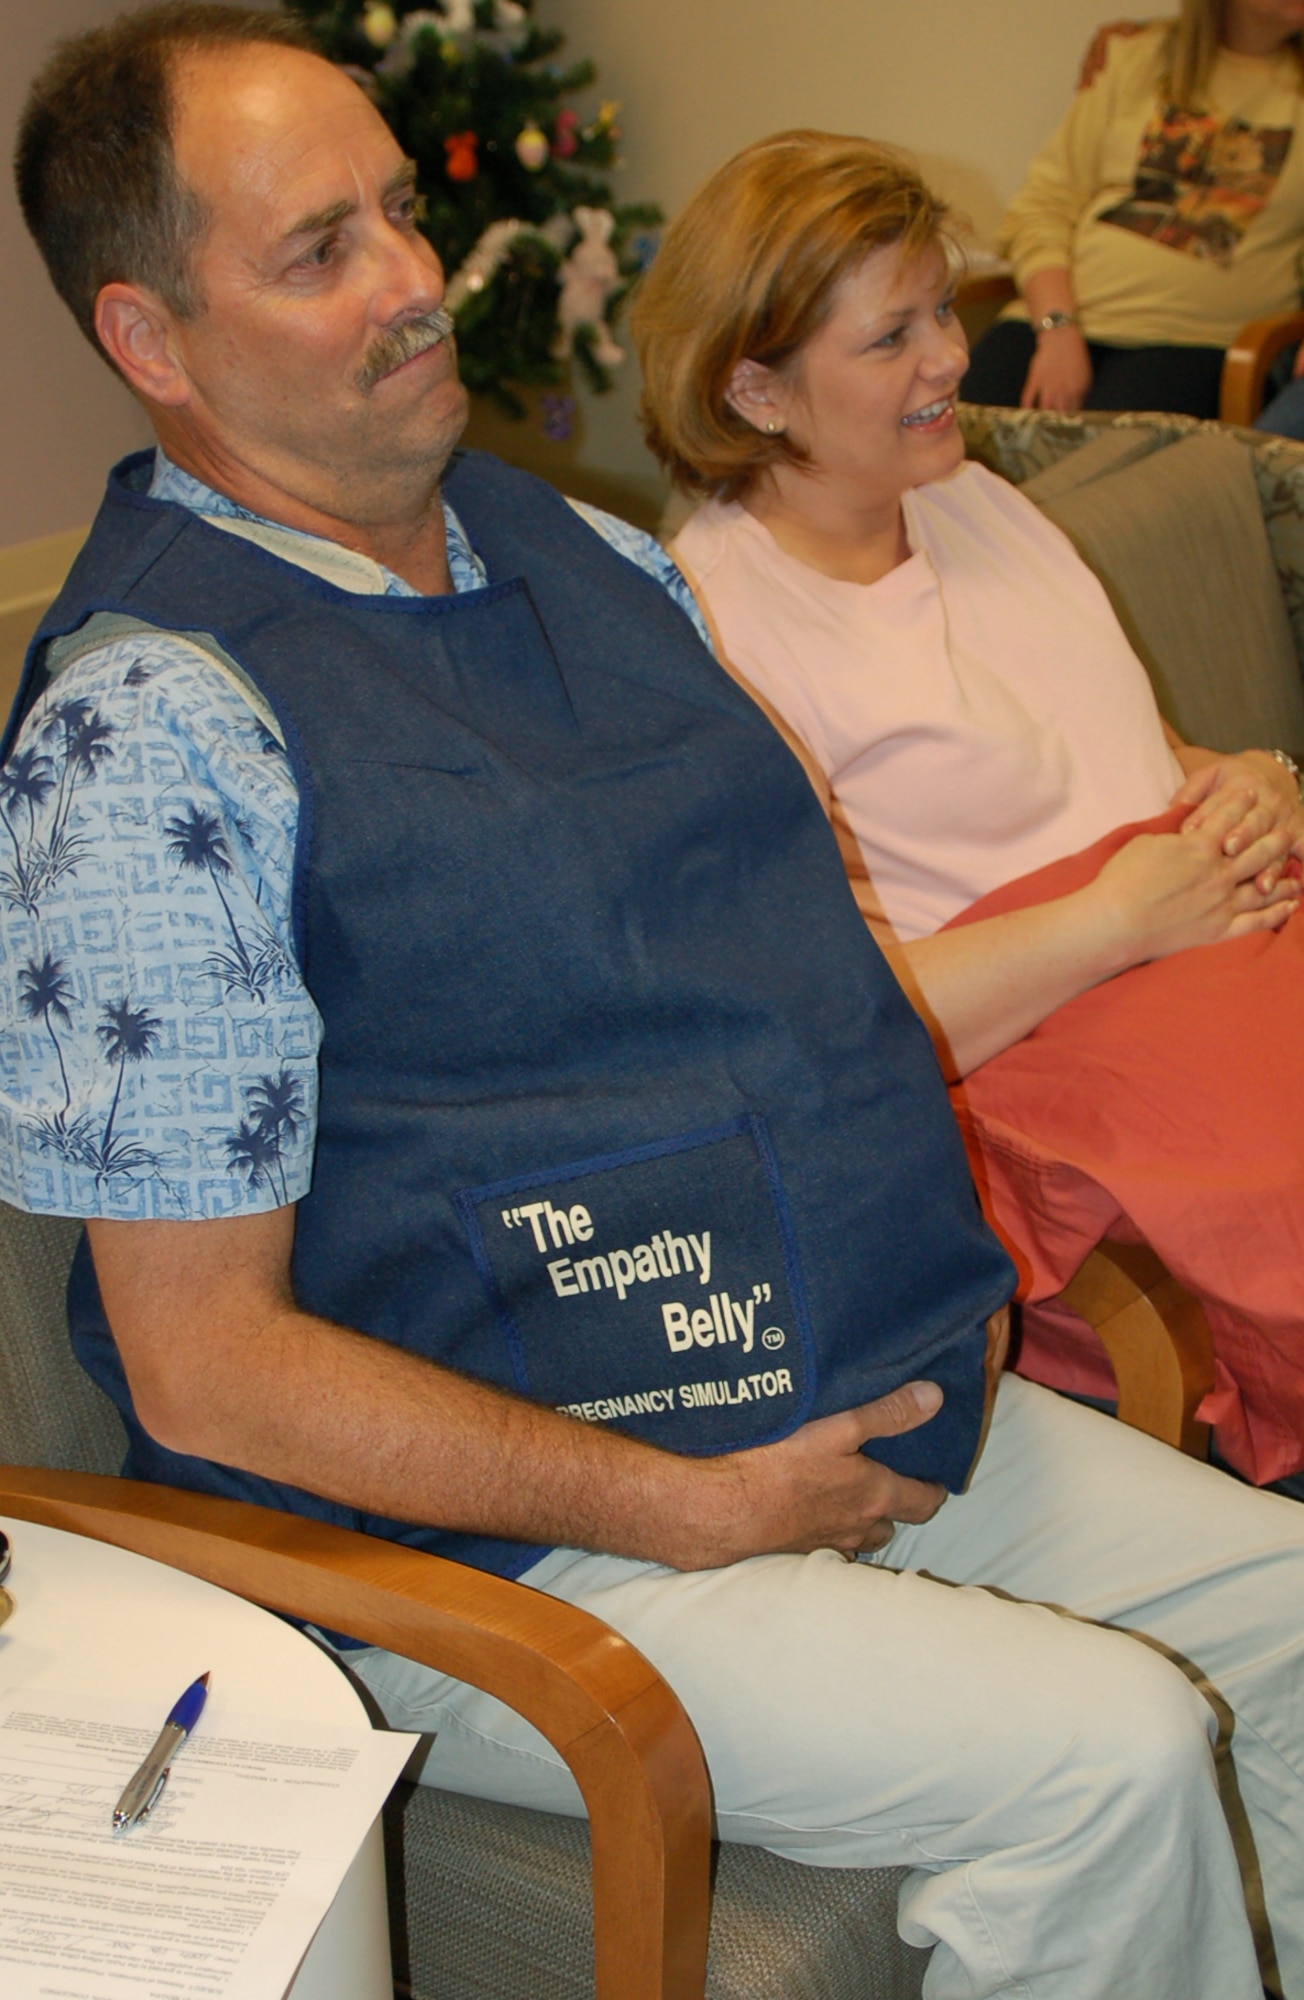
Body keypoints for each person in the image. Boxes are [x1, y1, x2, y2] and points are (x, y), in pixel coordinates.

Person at [7, 12, 1304, 1997]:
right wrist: (681, 1504)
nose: (411, 281)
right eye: (315, 251)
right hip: (508, 1532)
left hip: (839, 1375)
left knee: (1288, 1614)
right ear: (155, 344)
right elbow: (202, 1367)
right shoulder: (152, 728)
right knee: (1104, 1759)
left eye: (395, 210)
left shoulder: (590, 558)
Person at [634, 127, 1304, 1489]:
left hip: (1199, 951)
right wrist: (1123, 916)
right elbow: (831, 1020)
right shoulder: (719, 636)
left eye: (942, 305)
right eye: (892, 340)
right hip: (1047, 1052)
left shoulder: (971, 500)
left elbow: (1122, 739)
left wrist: (1239, 778)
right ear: (756, 391)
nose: (951, 355)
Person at [962, 0, 1304, 416]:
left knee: (1093, 473)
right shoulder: (1134, 57)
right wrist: (1057, 330)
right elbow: (1044, 205)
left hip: (1193, 345)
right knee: (938, 450)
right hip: (1051, 322)